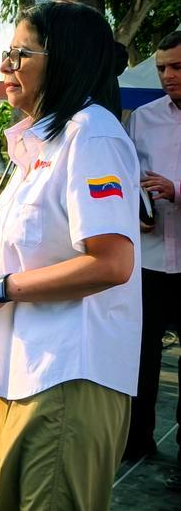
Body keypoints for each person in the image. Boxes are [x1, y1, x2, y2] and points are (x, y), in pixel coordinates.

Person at [0, 1, 140, 510]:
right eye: (8, 53)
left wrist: (0, 289)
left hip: (67, 375)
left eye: (20, 53)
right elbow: (21, 231)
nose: (5, 68)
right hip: (23, 370)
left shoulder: (92, 135)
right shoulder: (39, 143)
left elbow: (112, 262)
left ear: (64, 59)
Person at [123, 29, 181, 470]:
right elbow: (128, 177)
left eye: (176, 67)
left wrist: (176, 190)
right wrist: (138, 204)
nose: (166, 76)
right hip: (152, 255)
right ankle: (136, 439)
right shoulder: (142, 118)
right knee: (140, 354)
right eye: (161, 67)